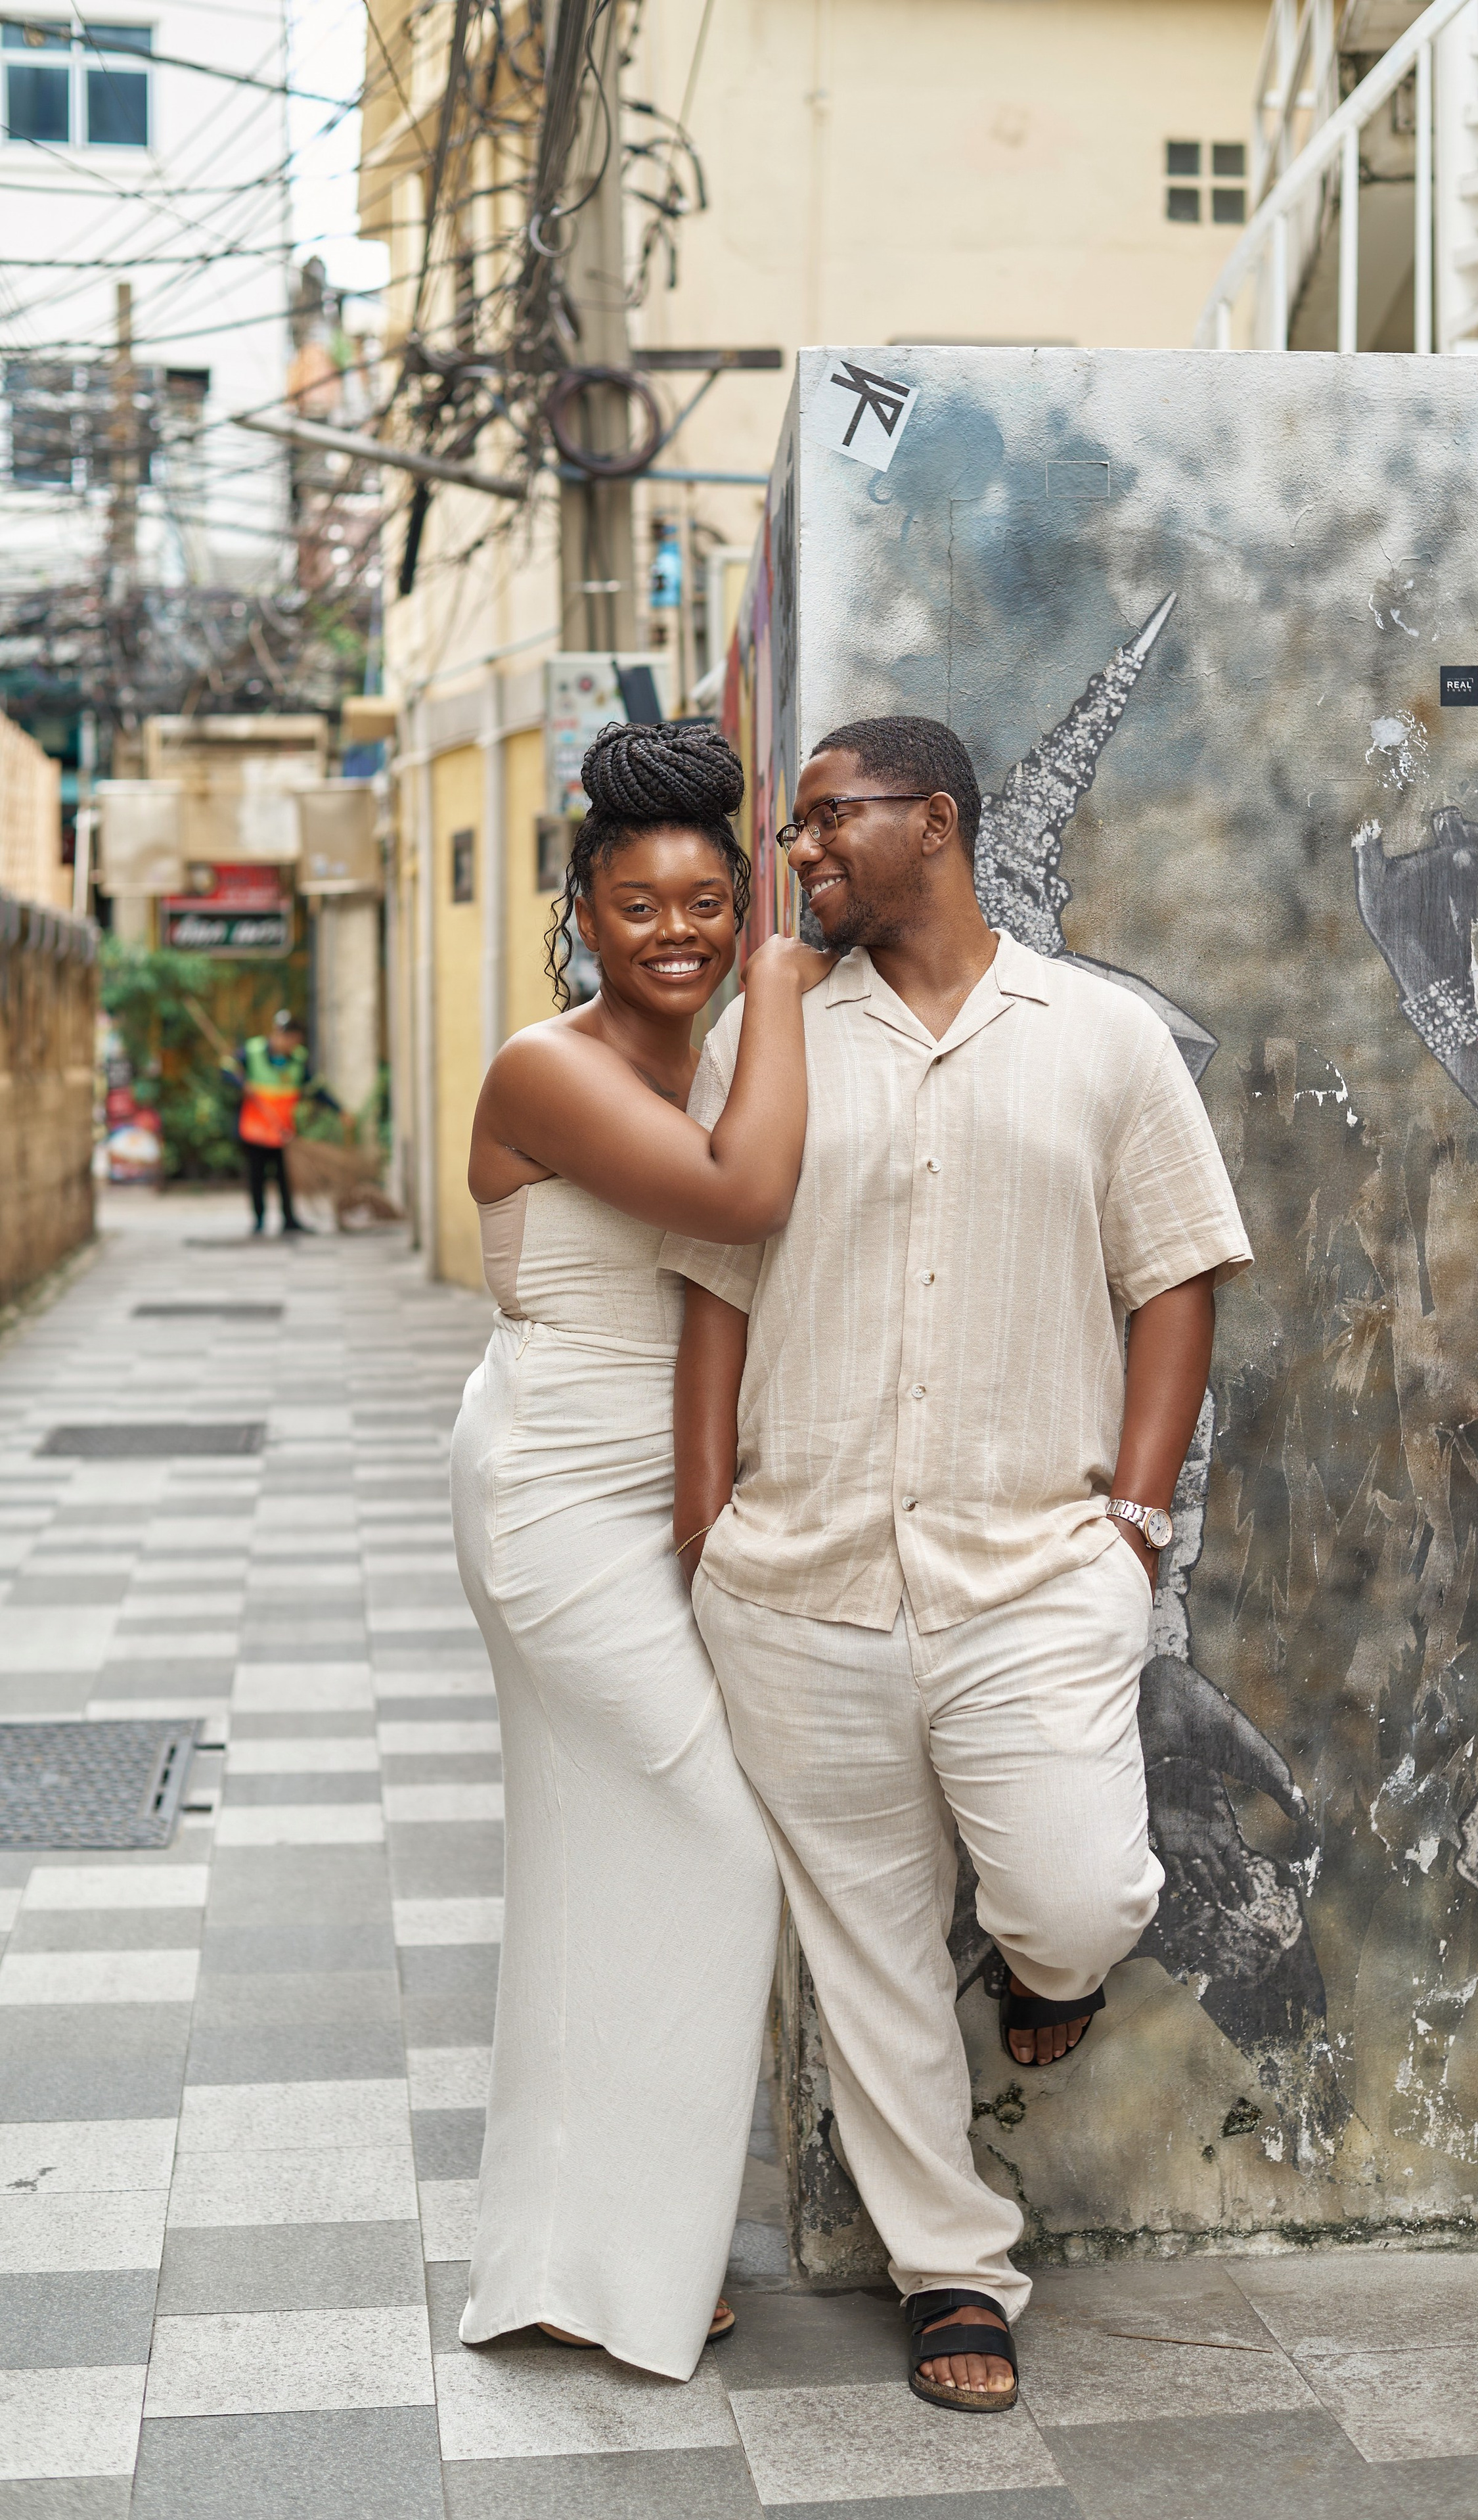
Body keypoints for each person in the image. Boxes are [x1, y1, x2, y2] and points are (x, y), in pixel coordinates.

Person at [664, 716, 1251, 2414]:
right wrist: (708, 1515)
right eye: (796, 830)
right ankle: (954, 2272)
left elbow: (1179, 1275)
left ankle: (1053, 1976)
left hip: (1036, 1566)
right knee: (869, 1952)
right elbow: (715, 1279)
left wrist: (1136, 1518)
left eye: (831, 818)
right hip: (804, 1579)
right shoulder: (771, 1039)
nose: (800, 852)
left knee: (1075, 1889)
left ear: (940, 816)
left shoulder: (1103, 1039)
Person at [451, 721, 828, 2383]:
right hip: (550, 1498)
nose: (669, 931)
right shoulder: (550, 1066)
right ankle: (630, 2249)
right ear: (580, 914)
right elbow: (742, 1204)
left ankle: (587, 2254)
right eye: (634, 904)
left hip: (664, 1487)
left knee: (590, 1866)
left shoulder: (718, 1054)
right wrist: (788, 982)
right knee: (710, 1843)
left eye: (702, 901)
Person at [229, 1009, 334, 1236]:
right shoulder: (253, 1051)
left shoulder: (297, 1059)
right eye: (288, 1037)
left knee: (285, 1178)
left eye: (296, 1039)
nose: (291, 1043)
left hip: (282, 1131)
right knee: (257, 1178)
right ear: (278, 1033)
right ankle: (259, 1221)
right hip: (256, 1131)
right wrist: (241, 1083)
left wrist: (339, 1110)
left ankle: (290, 1219)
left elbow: (315, 1089)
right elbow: (227, 1068)